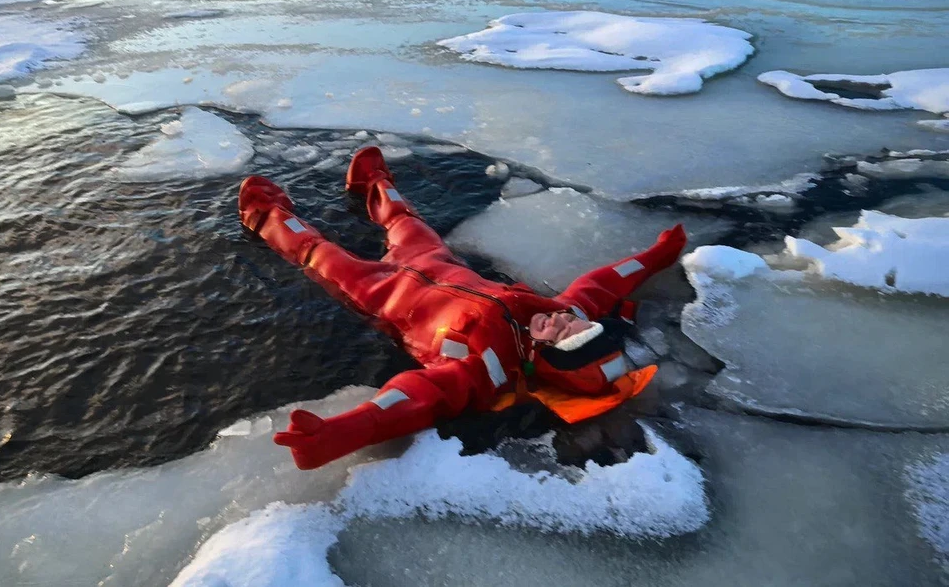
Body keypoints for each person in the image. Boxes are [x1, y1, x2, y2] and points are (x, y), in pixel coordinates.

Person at [238, 146, 686, 470]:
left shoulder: (482, 372)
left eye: (563, 332)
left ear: (552, 357)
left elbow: (415, 397)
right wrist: (655, 257)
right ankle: (372, 184)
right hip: (434, 264)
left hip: (382, 295)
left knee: (317, 253)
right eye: (575, 319)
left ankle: (265, 215)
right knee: (407, 221)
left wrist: (338, 433)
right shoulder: (552, 311)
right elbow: (599, 286)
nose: (562, 318)